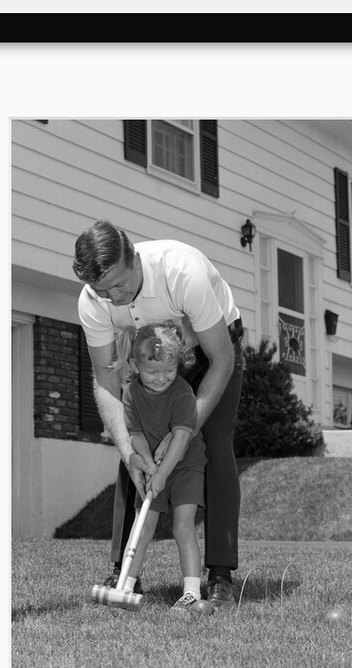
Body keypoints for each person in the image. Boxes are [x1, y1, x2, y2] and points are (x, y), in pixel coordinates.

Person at [72, 220, 244, 611]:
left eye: (120, 285)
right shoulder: (92, 302)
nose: (113, 298)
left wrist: (181, 436)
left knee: (213, 444)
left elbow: (222, 360)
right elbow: (106, 382)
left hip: (209, 351)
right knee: (134, 442)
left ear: (134, 259)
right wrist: (130, 450)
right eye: (102, 291)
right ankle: (124, 570)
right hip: (149, 358)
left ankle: (219, 575)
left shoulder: (182, 272)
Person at [112, 321, 206, 612]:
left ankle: (191, 591)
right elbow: (136, 434)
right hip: (154, 466)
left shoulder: (181, 392)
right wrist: (150, 466)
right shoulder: (130, 394)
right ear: (135, 366)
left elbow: (181, 436)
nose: (162, 378)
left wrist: (164, 473)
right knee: (143, 528)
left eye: (169, 370)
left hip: (186, 464)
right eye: (153, 372)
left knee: (182, 526)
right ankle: (126, 586)